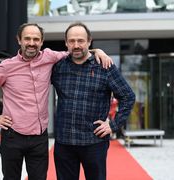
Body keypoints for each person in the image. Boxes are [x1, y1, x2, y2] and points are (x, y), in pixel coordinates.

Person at [0, 23, 113, 180]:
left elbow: (76, 51)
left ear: (41, 42)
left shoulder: (50, 57)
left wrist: (97, 51)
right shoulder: (6, 67)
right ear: (19, 40)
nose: (32, 43)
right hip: (12, 136)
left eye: (36, 39)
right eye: (27, 38)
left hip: (39, 139)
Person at [51, 22, 135, 180]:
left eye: (81, 41)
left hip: (94, 143)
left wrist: (113, 125)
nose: (76, 45)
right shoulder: (57, 67)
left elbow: (128, 96)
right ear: (66, 42)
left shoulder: (104, 66)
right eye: (72, 41)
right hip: (64, 142)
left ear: (89, 41)